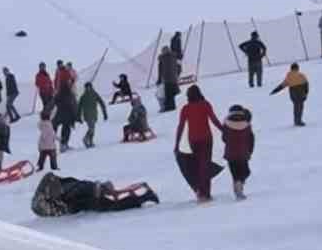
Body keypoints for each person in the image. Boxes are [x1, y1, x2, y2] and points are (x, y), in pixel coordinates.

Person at [30, 173, 159, 217]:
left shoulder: (44, 199)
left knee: (112, 205)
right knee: (111, 202)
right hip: (76, 194)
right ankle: (144, 196)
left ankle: (145, 196)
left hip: (77, 197)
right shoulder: (57, 187)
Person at [176, 85, 223, 203]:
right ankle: (205, 193)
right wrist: (224, 130)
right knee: (205, 166)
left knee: (198, 166)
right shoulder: (205, 104)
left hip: (193, 140)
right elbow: (214, 120)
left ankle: (201, 192)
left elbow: (181, 126)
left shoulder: (186, 109)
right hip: (206, 139)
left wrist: (177, 143)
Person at [221, 104, 254, 200]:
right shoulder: (247, 125)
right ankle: (239, 185)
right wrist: (250, 151)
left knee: (235, 173)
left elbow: (224, 138)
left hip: (230, 154)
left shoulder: (226, 124)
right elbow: (251, 139)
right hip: (243, 153)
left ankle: (238, 186)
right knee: (245, 171)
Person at [78, 81, 108, 149]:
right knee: (91, 128)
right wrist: (78, 117)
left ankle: (91, 141)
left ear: (91, 87)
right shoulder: (83, 96)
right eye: (87, 87)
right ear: (85, 88)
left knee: (92, 128)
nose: (88, 88)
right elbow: (79, 107)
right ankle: (85, 139)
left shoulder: (95, 94)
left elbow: (101, 103)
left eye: (89, 87)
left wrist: (105, 113)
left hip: (94, 114)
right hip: (87, 115)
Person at [157, 46, 180, 112]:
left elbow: (161, 70)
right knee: (171, 94)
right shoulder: (173, 57)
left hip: (167, 78)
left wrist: (159, 80)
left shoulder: (164, 58)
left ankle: (168, 107)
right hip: (174, 78)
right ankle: (172, 106)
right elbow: (178, 67)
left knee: (167, 94)